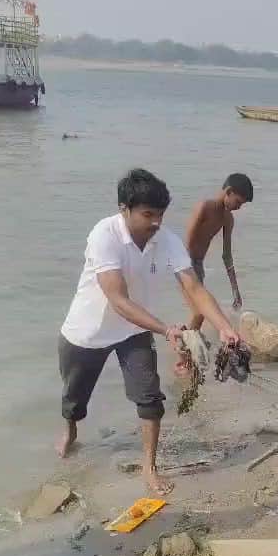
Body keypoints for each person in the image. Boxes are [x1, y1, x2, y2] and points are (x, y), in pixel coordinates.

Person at [57, 168, 241, 496]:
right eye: (147, 214)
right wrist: (165, 329)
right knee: (74, 399)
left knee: (150, 397)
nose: (155, 222)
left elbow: (194, 288)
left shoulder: (165, 241)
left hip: (133, 331)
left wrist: (225, 328)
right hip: (87, 332)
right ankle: (70, 430)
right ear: (123, 208)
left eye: (160, 214)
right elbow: (117, 298)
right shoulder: (104, 235)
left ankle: (149, 467)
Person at [181, 173, 252, 342]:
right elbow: (188, 241)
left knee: (200, 313)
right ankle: (185, 349)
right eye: (238, 202)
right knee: (199, 312)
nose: (239, 207)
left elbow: (226, 255)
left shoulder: (228, 219)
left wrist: (235, 289)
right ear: (229, 191)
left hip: (198, 265)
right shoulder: (204, 207)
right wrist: (188, 273)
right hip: (183, 262)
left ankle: (187, 346)